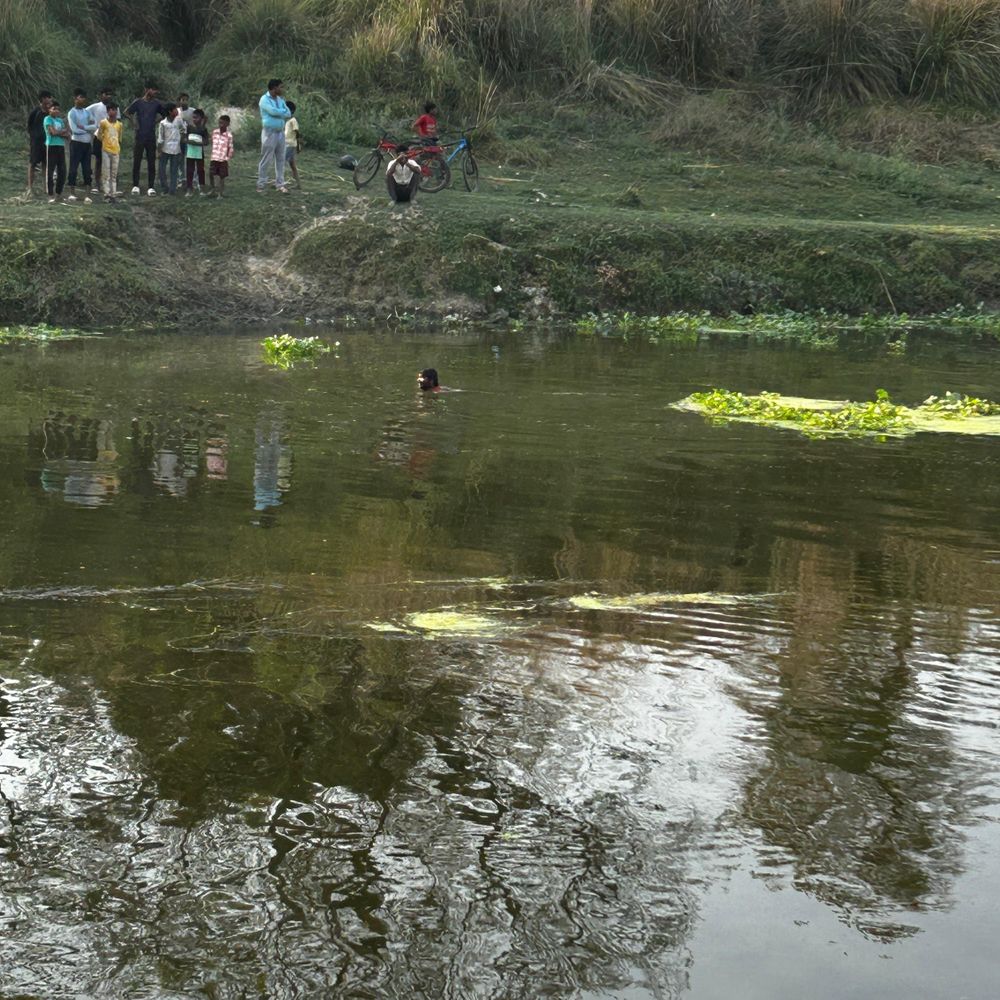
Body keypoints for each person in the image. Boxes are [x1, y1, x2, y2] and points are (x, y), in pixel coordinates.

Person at [125, 82, 163, 195]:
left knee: (151, 161)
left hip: (151, 136)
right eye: (153, 89)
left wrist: (155, 122)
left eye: (156, 90)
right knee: (137, 161)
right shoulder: (138, 102)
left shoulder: (156, 104)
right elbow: (126, 112)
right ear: (146, 89)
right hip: (139, 136)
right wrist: (134, 123)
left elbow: (164, 114)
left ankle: (151, 187)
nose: (155, 92)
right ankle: (135, 186)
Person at [257, 78, 291, 194]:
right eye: (280, 87)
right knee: (266, 158)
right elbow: (273, 112)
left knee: (281, 159)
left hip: (280, 132)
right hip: (269, 132)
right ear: (274, 87)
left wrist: (279, 112)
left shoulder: (280, 100)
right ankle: (261, 184)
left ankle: (280, 184)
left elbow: (288, 112)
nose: (282, 89)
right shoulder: (264, 99)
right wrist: (280, 112)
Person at [66, 89, 97, 202]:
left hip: (87, 144)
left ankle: (87, 195)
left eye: (84, 97)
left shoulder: (87, 112)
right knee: (73, 168)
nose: (83, 99)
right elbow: (74, 130)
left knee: (87, 169)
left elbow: (95, 126)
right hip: (76, 143)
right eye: (80, 97)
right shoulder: (72, 112)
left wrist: (83, 127)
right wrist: (87, 129)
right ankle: (72, 193)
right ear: (75, 99)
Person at [85, 87, 112, 194]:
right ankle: (97, 183)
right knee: (98, 160)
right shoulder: (96, 107)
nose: (108, 96)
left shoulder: (114, 107)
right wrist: (92, 124)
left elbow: (118, 121)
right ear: (101, 95)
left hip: (111, 137)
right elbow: (85, 112)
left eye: (110, 94)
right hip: (99, 136)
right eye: (106, 94)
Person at [43, 101, 70, 203]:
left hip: (60, 146)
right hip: (51, 146)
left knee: (62, 171)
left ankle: (59, 194)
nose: (56, 111)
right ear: (49, 109)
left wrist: (61, 133)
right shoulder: (47, 119)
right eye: (54, 109)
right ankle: (50, 194)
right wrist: (61, 133)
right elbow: (52, 132)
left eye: (58, 109)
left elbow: (67, 133)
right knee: (50, 171)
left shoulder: (60, 120)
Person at [27, 91, 53, 196]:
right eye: (47, 97)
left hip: (47, 142)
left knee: (45, 164)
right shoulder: (35, 112)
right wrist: (34, 137)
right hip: (36, 143)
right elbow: (29, 125)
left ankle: (45, 187)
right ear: (42, 99)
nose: (49, 100)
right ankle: (30, 188)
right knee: (32, 163)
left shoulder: (50, 113)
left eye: (50, 98)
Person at [96, 103, 123, 202]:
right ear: (107, 111)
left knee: (114, 173)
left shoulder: (119, 124)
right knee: (106, 172)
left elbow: (119, 138)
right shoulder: (103, 123)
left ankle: (113, 194)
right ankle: (107, 194)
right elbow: (99, 136)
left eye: (115, 110)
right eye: (111, 110)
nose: (113, 112)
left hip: (116, 150)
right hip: (106, 150)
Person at [156, 103, 184, 195]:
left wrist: (181, 143)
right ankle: (165, 188)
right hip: (165, 149)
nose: (177, 111)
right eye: (175, 109)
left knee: (174, 170)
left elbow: (183, 130)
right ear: (170, 111)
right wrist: (159, 151)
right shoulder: (163, 123)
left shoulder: (178, 120)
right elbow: (160, 138)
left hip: (176, 149)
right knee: (162, 170)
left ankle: (172, 190)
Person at [184, 108, 209, 196]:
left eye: (196, 118)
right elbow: (185, 138)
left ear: (201, 118)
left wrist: (198, 143)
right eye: (193, 117)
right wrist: (188, 141)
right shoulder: (189, 128)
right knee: (189, 170)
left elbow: (206, 142)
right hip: (190, 153)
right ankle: (189, 189)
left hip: (199, 154)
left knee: (200, 170)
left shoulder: (203, 130)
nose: (194, 119)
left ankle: (202, 189)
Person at [209, 114, 235, 197]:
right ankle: (213, 189)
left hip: (223, 159)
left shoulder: (229, 135)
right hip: (214, 157)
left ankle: (220, 193)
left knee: (221, 176)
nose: (221, 125)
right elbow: (213, 142)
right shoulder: (215, 132)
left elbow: (230, 147)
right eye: (219, 123)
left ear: (227, 124)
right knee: (211, 174)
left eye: (223, 123)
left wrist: (227, 158)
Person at [284, 100, 301, 189]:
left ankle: (280, 183)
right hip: (288, 144)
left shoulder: (293, 120)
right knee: (292, 165)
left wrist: (298, 145)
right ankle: (298, 184)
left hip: (290, 145)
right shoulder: (287, 121)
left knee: (281, 162)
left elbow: (297, 133)